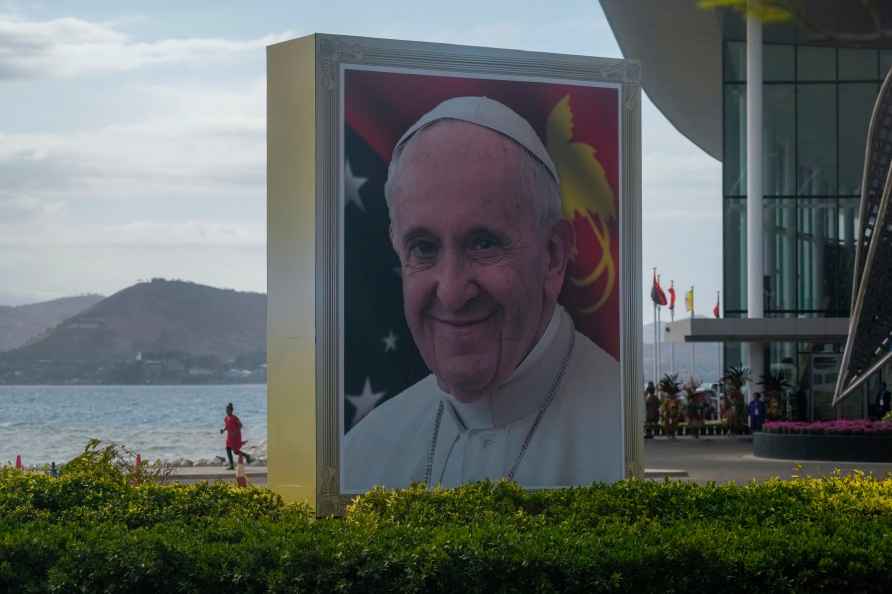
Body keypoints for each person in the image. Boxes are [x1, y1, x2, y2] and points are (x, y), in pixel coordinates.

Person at [343, 96, 622, 491]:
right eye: (423, 248)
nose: (453, 292)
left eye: (484, 243)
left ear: (553, 255)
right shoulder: (363, 454)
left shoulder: (628, 438)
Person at [220, 402, 252, 470]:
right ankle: (232, 465)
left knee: (235, 451)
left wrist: (235, 432)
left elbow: (240, 425)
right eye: (226, 410)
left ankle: (247, 456)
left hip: (236, 436)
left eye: (228, 410)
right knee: (228, 449)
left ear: (232, 410)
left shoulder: (235, 418)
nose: (227, 411)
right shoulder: (226, 418)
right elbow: (227, 426)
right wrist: (223, 430)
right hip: (229, 436)